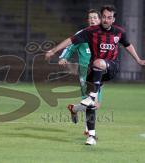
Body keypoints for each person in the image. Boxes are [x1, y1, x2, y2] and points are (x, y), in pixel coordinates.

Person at [45, 5, 145, 145]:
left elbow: (128, 44)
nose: (106, 20)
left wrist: (138, 59)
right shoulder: (90, 32)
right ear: (102, 18)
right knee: (91, 105)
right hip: (93, 73)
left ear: (113, 19)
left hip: (111, 68)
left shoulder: (119, 32)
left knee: (98, 66)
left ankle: (89, 98)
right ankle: (91, 136)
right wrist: (54, 51)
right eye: (104, 17)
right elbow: (71, 41)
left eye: (109, 17)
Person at [58, 9, 101, 137]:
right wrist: (64, 57)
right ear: (88, 20)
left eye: (95, 17)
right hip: (85, 71)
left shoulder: (104, 35)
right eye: (90, 18)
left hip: (99, 73)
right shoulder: (82, 34)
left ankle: (74, 108)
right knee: (90, 102)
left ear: (99, 20)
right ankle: (89, 131)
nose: (93, 19)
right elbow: (71, 46)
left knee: (96, 104)